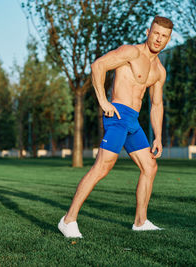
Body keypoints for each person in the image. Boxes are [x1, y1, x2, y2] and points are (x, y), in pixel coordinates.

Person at [58, 16, 173, 238]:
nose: (159, 39)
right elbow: (98, 65)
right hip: (117, 114)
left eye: (164, 36)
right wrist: (102, 100)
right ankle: (68, 219)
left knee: (150, 167)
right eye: (156, 33)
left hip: (133, 121)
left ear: (168, 39)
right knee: (103, 166)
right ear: (148, 31)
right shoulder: (131, 52)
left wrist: (157, 136)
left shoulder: (159, 70)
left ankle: (140, 222)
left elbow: (156, 105)